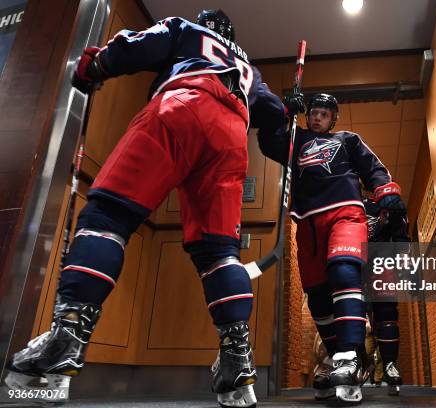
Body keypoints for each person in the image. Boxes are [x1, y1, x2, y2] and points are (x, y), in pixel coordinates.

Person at [4, 9, 284, 408]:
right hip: (231, 139)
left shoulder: (186, 29)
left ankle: (67, 336)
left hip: (182, 106)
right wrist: (290, 121)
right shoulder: (250, 71)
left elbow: (138, 44)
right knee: (219, 251)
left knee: (108, 216)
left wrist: (96, 66)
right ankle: (237, 360)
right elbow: (276, 124)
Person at [258, 93, 407, 403]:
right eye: (313, 112)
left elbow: (374, 168)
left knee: (343, 270)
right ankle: (337, 356)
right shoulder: (295, 139)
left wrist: (385, 190)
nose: (317, 117)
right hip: (309, 224)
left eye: (324, 114)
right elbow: (268, 143)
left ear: (333, 119)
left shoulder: (348, 139)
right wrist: (282, 111)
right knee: (318, 297)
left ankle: (351, 354)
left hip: (346, 213)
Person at [363, 197, 406, 396]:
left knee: (387, 312)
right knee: (351, 313)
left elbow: (400, 233)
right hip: (353, 257)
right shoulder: (343, 193)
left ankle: (390, 364)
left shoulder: (386, 202)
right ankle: (358, 365)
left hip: (382, 259)